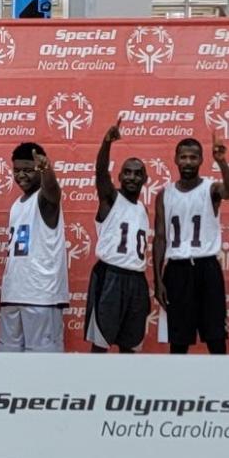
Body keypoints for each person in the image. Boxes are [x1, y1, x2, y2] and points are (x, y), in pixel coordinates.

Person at [152, 134, 229, 354]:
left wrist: (222, 161)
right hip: (177, 269)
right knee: (179, 340)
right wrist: (158, 279)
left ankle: (220, 385)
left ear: (201, 160)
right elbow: (160, 237)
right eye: (183, 157)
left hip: (206, 266)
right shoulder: (164, 194)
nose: (188, 162)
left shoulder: (211, 189)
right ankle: (178, 387)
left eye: (193, 157)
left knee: (216, 336)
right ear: (175, 159)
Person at [85, 119, 151, 353]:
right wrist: (106, 143)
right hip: (110, 277)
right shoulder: (111, 199)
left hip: (137, 280)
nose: (132, 177)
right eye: (128, 173)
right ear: (120, 177)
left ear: (145, 179)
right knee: (101, 343)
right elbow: (101, 172)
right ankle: (95, 387)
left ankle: (127, 388)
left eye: (138, 173)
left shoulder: (143, 209)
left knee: (131, 345)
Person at [0, 142, 68, 353]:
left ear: (39, 169)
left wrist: (47, 170)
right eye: (17, 170)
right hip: (13, 295)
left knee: (43, 368)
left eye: (28, 170)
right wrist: (7, 287)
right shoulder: (17, 204)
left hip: (41, 297)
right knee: (8, 363)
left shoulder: (45, 200)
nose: (21, 175)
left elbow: (53, 192)